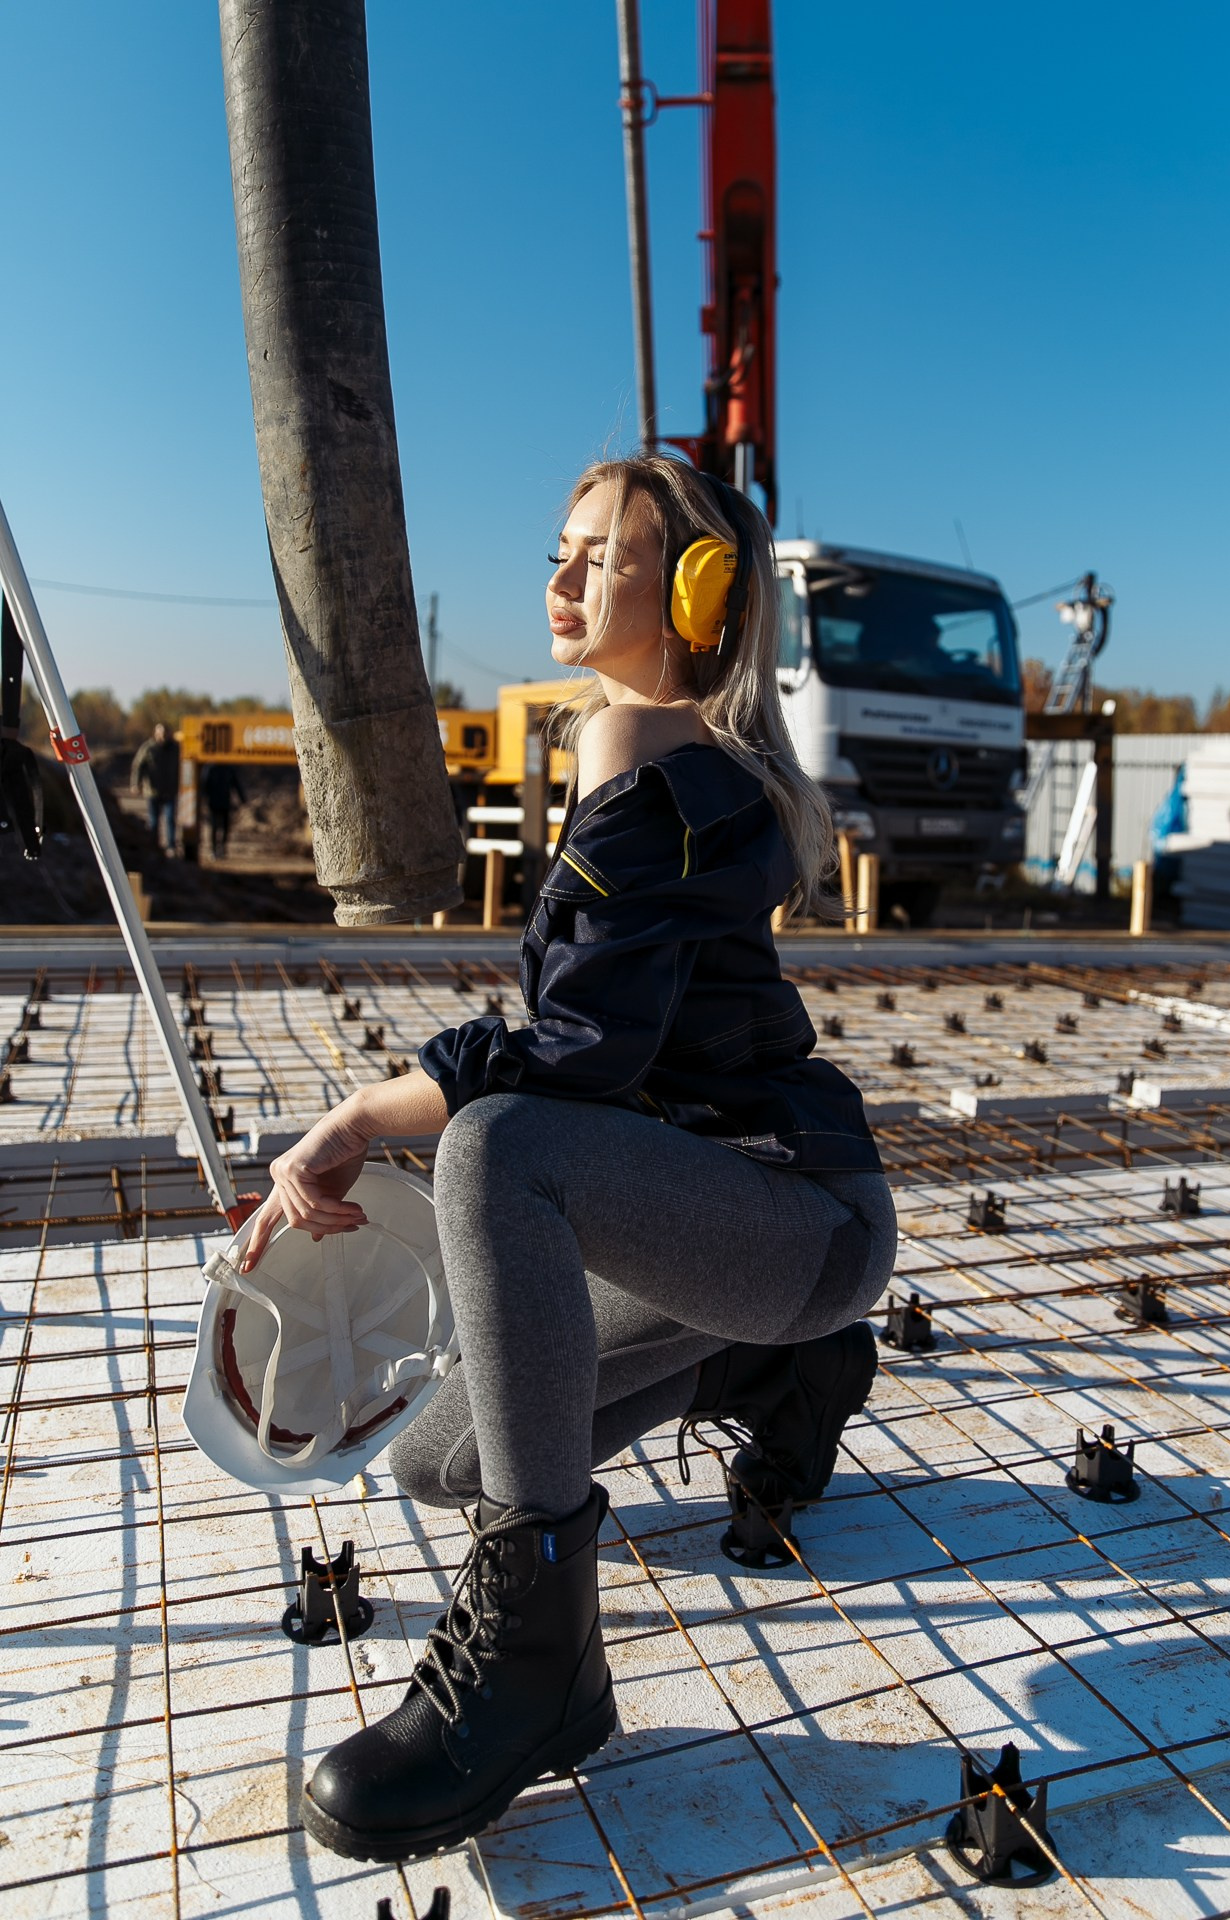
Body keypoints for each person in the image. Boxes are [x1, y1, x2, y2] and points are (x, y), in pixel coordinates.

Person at [238, 454, 898, 1863]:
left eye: (603, 555)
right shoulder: (649, 750)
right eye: (562, 547)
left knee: (499, 1150)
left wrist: (358, 1119)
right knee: (443, 1460)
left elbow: (577, 1055)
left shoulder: (654, 759)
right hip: (720, 1236)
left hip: (796, 1216)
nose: (560, 577)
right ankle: (768, 1369)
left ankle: (543, 1670)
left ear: (699, 593)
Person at [130, 723, 181, 856]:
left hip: (170, 790)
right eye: (160, 733)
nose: (163, 736)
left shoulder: (176, 748)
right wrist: (136, 784)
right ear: (155, 733)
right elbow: (138, 766)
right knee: (154, 820)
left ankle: (171, 846)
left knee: (170, 819)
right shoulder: (148, 748)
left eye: (165, 733)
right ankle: (154, 847)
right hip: (152, 791)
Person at [201, 760, 247, 859]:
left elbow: (236, 784)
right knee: (214, 827)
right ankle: (214, 849)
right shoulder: (211, 768)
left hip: (225, 803)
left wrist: (242, 799)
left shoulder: (227, 769)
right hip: (214, 803)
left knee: (225, 827)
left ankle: (222, 848)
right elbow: (204, 785)